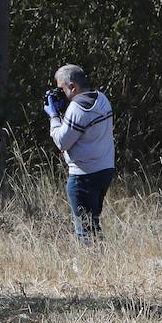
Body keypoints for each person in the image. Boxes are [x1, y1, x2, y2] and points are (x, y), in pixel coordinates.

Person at [44, 64, 116, 243]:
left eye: (61, 88)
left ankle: (93, 266)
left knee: (84, 229)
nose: (59, 93)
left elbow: (62, 141)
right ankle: (103, 263)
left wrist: (53, 115)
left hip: (82, 175)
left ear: (72, 87)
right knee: (93, 224)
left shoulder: (76, 109)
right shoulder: (102, 99)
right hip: (104, 169)